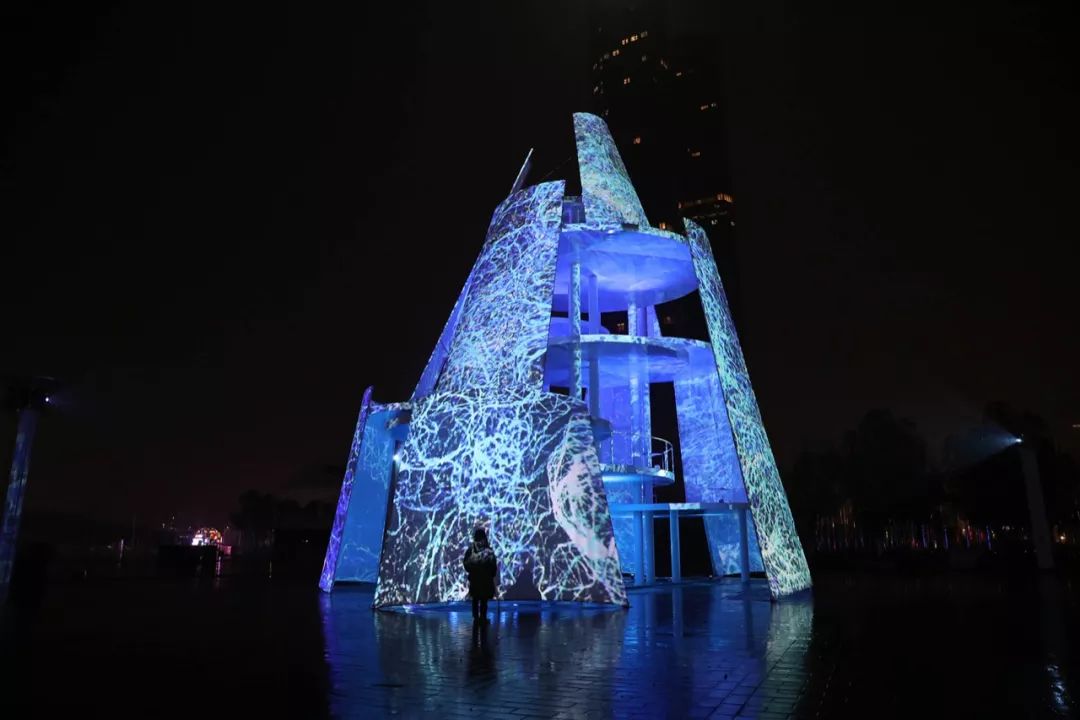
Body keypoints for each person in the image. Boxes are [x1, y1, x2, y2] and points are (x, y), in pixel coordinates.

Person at [462, 526, 497, 623]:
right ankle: (480, 617)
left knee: (479, 599)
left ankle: (478, 617)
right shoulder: (487, 551)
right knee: (481, 599)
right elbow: (493, 565)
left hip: (478, 579)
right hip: (481, 579)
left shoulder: (473, 550)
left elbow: (466, 563)